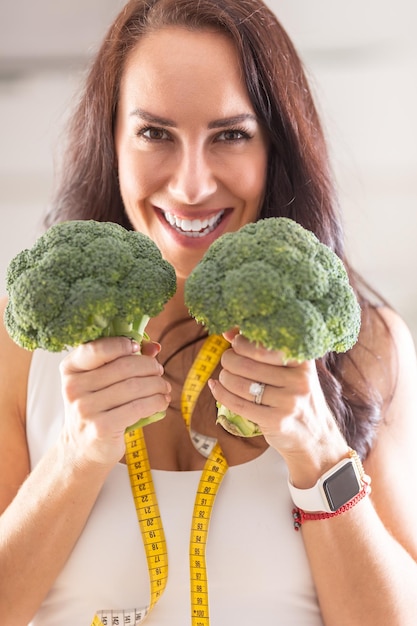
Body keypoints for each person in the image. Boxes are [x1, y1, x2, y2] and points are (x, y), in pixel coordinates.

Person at [1, 0, 416, 624]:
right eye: (155, 133)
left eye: (229, 135)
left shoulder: (366, 348)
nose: (192, 186)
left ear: (275, 146)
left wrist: (319, 451)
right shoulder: (20, 344)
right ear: (112, 140)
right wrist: (77, 456)